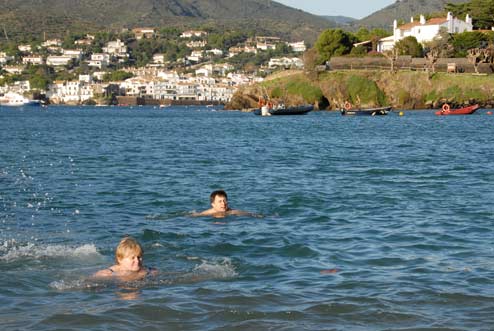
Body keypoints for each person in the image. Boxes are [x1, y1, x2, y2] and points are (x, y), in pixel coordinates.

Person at [93, 236, 157, 281]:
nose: (137, 261)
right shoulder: (107, 274)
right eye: (132, 258)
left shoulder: (150, 272)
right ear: (120, 259)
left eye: (139, 257)